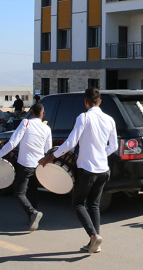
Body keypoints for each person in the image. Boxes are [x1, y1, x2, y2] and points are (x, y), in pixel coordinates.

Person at [39, 88, 117, 254]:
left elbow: (70, 143)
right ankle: (95, 242)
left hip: (87, 169)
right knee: (94, 205)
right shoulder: (109, 119)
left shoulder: (84, 117)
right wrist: (102, 154)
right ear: (100, 101)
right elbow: (114, 146)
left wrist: (50, 157)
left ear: (86, 102)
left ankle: (93, 235)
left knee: (78, 202)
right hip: (103, 169)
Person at [0, 103, 51, 231]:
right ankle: (32, 217)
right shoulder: (47, 129)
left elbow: (12, 143)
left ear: (31, 113)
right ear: (43, 114)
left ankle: (32, 213)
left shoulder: (25, 123)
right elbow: (48, 150)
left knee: (19, 192)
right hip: (38, 164)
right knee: (33, 191)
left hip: (25, 164)